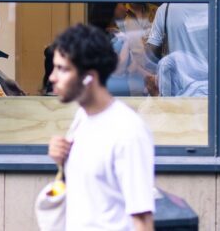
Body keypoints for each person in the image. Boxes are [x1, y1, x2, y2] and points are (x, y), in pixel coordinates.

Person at [47, 24, 155, 231]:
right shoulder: (82, 118)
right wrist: (62, 161)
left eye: (62, 69)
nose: (52, 77)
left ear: (90, 77)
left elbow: (141, 219)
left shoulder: (128, 130)